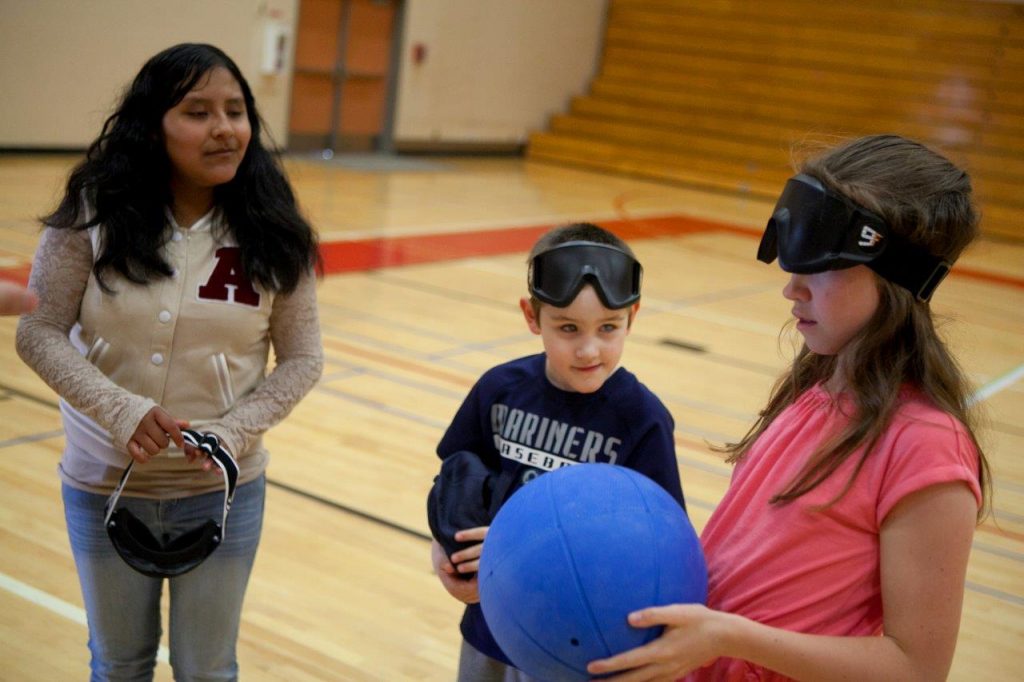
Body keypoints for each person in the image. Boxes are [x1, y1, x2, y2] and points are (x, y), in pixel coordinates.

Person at [587, 134, 991, 681]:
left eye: (821, 265)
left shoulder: (924, 443)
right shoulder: (817, 389)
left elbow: (915, 668)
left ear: (896, 274)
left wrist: (730, 636)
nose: (793, 288)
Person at [16, 43, 323, 680]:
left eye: (236, 111)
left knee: (207, 669)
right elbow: (38, 330)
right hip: (102, 486)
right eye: (197, 111)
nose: (224, 128)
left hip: (222, 494)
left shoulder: (274, 230)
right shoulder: (90, 214)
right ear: (152, 125)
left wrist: (232, 434)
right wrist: (119, 409)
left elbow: (302, 360)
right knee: (119, 663)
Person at [429, 222, 687, 681]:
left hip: (576, 642)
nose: (589, 349)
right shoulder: (499, 390)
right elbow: (456, 481)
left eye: (609, 327)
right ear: (532, 317)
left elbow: (656, 545)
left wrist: (518, 551)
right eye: (568, 327)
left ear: (633, 316)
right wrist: (443, 551)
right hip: (489, 626)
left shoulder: (642, 419)